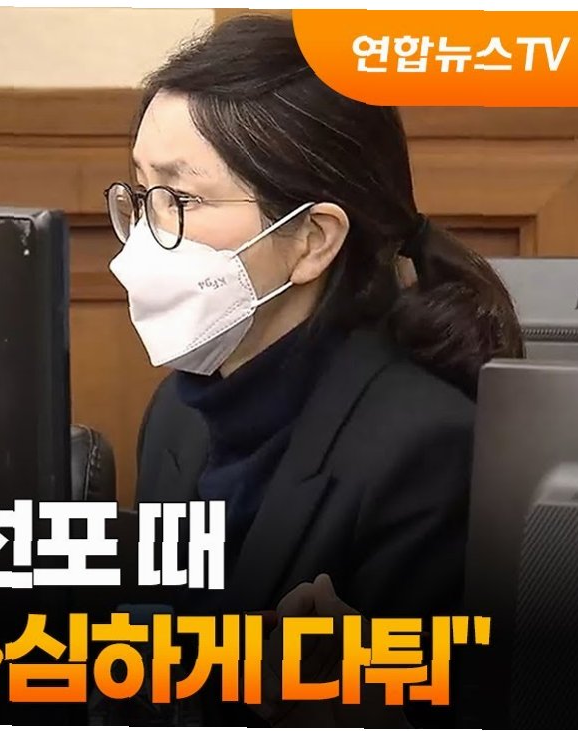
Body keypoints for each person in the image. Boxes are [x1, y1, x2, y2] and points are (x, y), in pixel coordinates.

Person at [106, 14, 522, 727]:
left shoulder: (426, 452)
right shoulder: (178, 413)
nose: (146, 236)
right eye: (141, 194)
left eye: (182, 200)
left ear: (310, 239)